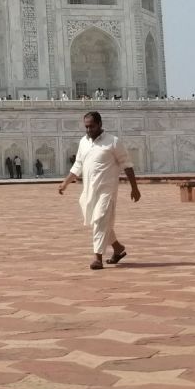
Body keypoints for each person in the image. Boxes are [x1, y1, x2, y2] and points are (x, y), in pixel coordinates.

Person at [57, 110, 140, 270]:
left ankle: (97, 257)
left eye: (92, 127)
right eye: (86, 127)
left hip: (106, 191)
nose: (89, 130)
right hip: (89, 190)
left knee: (100, 220)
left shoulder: (113, 142)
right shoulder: (84, 142)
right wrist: (65, 183)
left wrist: (134, 188)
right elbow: (78, 165)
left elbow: (127, 165)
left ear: (100, 124)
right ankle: (118, 248)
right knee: (98, 220)